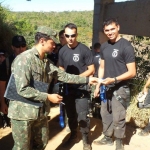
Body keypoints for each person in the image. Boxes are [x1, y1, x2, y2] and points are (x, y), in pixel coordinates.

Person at [7, 26, 98, 150]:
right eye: (52, 42)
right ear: (42, 41)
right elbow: (22, 89)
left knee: (41, 144)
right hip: (23, 114)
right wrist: (48, 97)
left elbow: (63, 75)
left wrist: (87, 79)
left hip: (39, 112)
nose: (55, 45)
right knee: (22, 147)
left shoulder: (45, 61)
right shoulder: (23, 60)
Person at [93, 18, 136, 150]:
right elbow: (101, 67)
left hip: (120, 88)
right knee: (105, 114)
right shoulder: (104, 46)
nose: (110, 32)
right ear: (104, 32)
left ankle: (119, 143)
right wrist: (98, 85)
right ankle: (107, 137)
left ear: (118, 27)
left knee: (118, 117)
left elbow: (132, 72)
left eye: (112, 29)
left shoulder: (126, 46)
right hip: (106, 87)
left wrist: (114, 79)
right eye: (107, 30)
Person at [59, 23, 94, 150]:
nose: (70, 38)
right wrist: (62, 75)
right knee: (71, 115)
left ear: (76, 34)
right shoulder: (62, 50)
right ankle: (74, 135)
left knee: (83, 116)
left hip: (81, 89)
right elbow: (61, 67)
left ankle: (86, 140)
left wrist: (77, 79)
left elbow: (91, 69)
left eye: (73, 35)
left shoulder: (84, 49)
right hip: (68, 89)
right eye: (67, 35)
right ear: (64, 35)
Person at [0, 35, 27, 127]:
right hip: (13, 100)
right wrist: (2, 103)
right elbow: (2, 84)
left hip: (29, 99)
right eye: (17, 46)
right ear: (12, 47)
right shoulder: (6, 63)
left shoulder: (32, 60)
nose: (21, 48)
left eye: (23, 45)